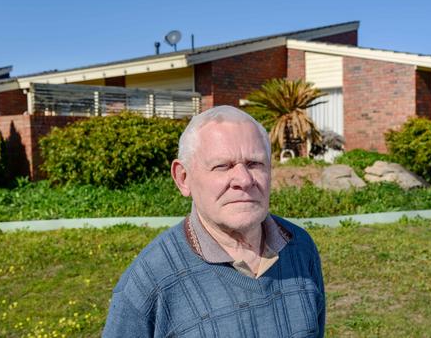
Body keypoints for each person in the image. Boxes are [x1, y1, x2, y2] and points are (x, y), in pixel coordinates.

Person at [103, 106, 325, 337]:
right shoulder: (150, 279)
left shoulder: (300, 247)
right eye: (222, 166)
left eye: (254, 164)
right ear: (183, 178)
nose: (244, 179)